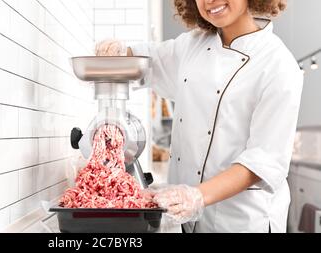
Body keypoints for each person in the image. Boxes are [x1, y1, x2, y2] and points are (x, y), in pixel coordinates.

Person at [96, 0, 303, 233]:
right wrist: (120, 52)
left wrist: (196, 195)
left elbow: (263, 161)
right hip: (184, 218)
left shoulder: (278, 64)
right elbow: (147, 61)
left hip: (241, 220)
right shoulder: (192, 44)